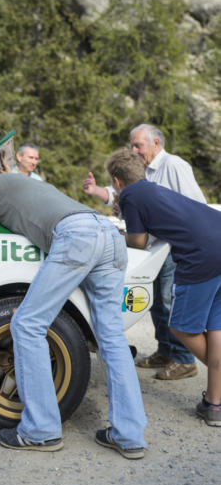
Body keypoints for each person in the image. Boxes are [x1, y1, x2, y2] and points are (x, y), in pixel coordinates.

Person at [0, 172, 147, 459]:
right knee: (111, 338)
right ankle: (130, 436)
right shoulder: (35, 186)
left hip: (77, 237)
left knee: (27, 325)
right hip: (109, 235)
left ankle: (41, 431)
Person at [106, 148, 221, 426]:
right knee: (214, 327)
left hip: (201, 255)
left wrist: (117, 234)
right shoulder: (150, 189)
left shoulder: (130, 195)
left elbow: (137, 242)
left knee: (181, 326)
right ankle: (214, 406)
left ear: (117, 181)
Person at [83, 124, 206, 380]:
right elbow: (124, 196)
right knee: (156, 302)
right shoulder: (142, 170)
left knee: (169, 299)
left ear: (156, 143)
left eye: (138, 145)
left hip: (174, 243)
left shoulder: (173, 165)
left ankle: (184, 360)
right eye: (132, 145)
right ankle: (166, 350)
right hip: (157, 244)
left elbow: (195, 204)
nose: (134, 150)